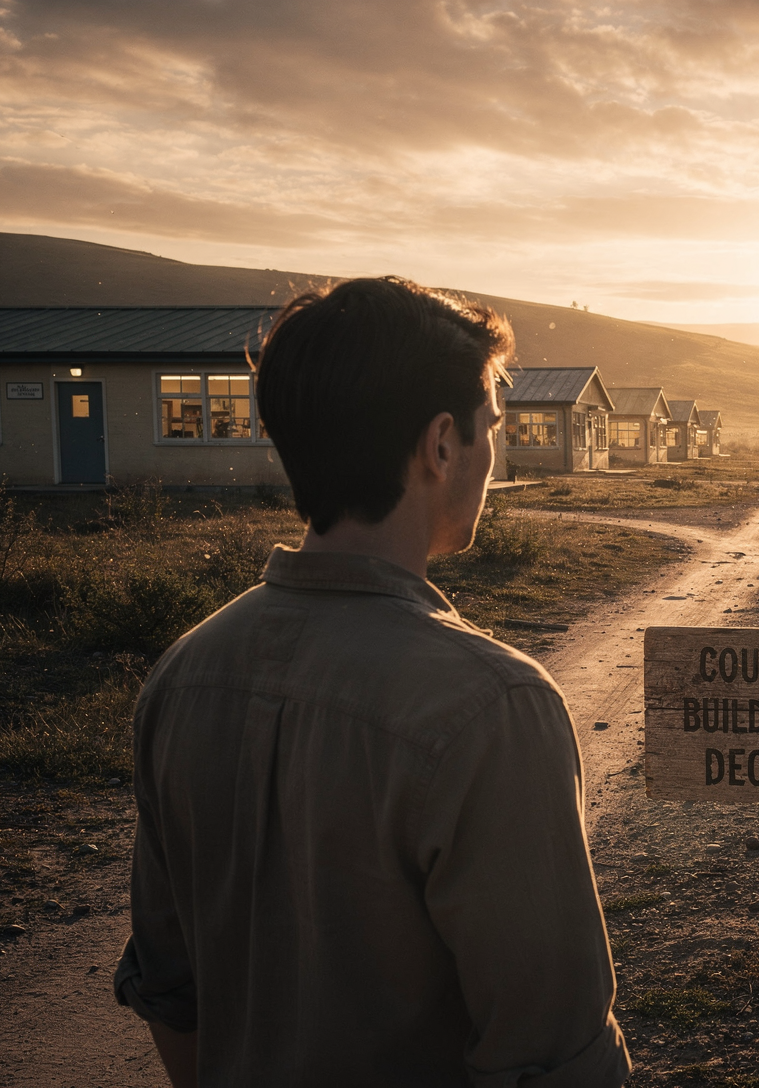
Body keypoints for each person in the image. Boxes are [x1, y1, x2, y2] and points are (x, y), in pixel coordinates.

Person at [114, 277, 630, 1087]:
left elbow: (170, 991)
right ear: (441, 446)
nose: (493, 455)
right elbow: (553, 1056)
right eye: (493, 426)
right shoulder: (495, 707)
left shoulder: (183, 675)